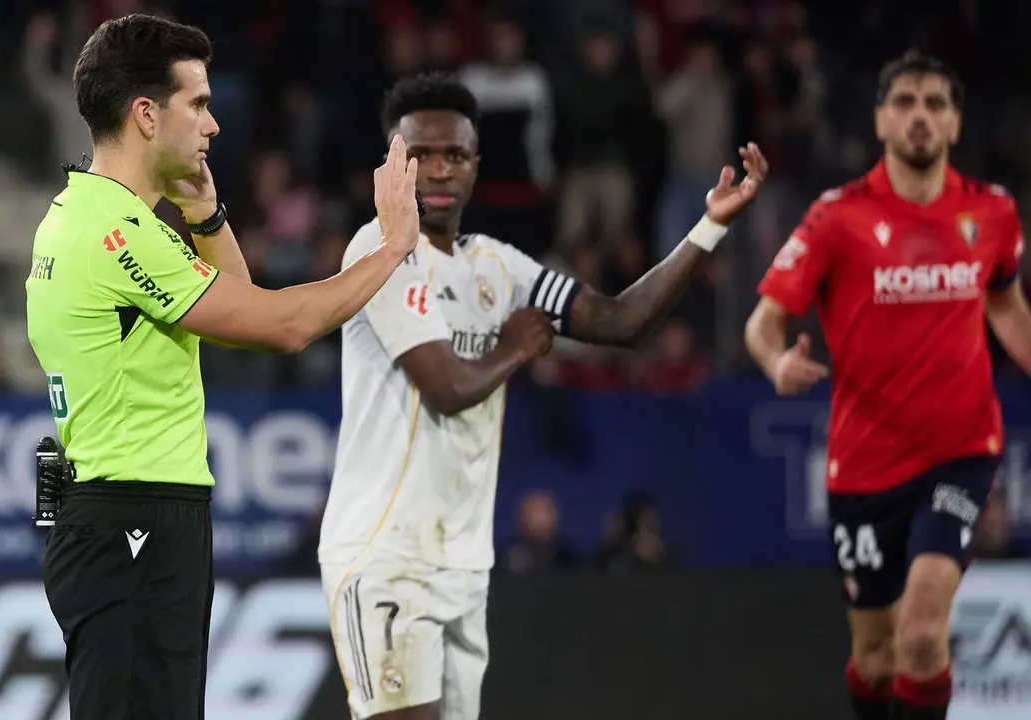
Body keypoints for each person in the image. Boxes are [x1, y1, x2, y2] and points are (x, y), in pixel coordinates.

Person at [318, 71, 768, 720]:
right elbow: (445, 389)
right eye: (420, 156)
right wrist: (515, 350)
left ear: (476, 168)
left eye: (456, 156)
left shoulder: (500, 267)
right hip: (384, 551)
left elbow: (620, 320)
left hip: (462, 564)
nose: (439, 171)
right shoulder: (383, 252)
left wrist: (707, 229)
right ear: (394, 165)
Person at [24, 15, 422, 720]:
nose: (212, 125)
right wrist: (390, 248)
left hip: (120, 514)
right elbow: (288, 326)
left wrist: (206, 218)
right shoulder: (121, 237)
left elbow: (250, 319)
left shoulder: (95, 217)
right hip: (132, 518)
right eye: (198, 104)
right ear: (146, 115)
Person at [746, 50, 1031, 720]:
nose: (921, 116)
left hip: (963, 450)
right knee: (875, 658)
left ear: (957, 124)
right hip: (866, 465)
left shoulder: (992, 213)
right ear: (880, 120)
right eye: (905, 102)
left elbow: (1006, 307)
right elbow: (763, 322)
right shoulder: (836, 217)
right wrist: (774, 363)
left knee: (926, 634)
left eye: (936, 103)